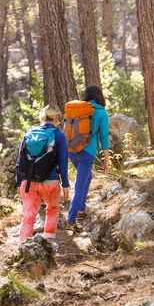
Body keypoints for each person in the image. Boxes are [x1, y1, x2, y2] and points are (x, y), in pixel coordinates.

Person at [17, 105, 69, 246]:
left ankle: (24, 246)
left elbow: (19, 160)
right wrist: (65, 185)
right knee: (52, 209)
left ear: (42, 117)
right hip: (50, 182)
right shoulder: (59, 136)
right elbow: (63, 163)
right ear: (57, 118)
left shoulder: (29, 133)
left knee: (29, 215)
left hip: (28, 182)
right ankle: (47, 243)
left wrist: (19, 182)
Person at [66, 85, 109, 232]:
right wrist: (106, 161)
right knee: (80, 184)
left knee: (87, 177)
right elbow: (103, 137)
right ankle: (71, 219)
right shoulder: (102, 113)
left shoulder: (78, 108)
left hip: (71, 150)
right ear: (99, 96)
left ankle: (81, 210)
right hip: (87, 153)